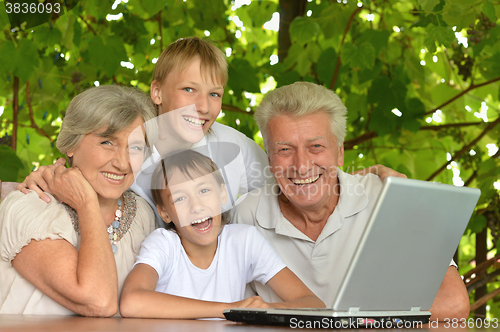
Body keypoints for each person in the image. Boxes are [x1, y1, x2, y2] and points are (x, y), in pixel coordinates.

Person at [17, 37, 403, 220]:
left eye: (215, 94)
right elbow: (75, 171)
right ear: (156, 91)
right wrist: (45, 177)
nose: (203, 107)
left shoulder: (241, 150)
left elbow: (301, 184)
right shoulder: (125, 149)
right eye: (189, 90)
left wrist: (366, 179)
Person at [231, 82, 471, 321]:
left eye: (316, 147)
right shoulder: (247, 215)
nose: (302, 166)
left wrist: (345, 320)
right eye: (285, 150)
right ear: (270, 158)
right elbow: (232, 312)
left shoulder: (386, 198)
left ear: (340, 153)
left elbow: (453, 303)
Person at [0, 85, 157, 316]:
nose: (123, 163)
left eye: (135, 147)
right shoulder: (30, 208)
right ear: (71, 144)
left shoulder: (142, 213)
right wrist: (86, 203)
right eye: (107, 142)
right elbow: (99, 301)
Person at [119, 150, 325, 319]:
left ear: (223, 193)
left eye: (204, 191)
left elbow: (314, 304)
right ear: (164, 212)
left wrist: (266, 310)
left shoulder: (244, 241)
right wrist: (229, 309)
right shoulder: (163, 244)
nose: (197, 206)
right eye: (180, 198)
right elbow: (131, 302)